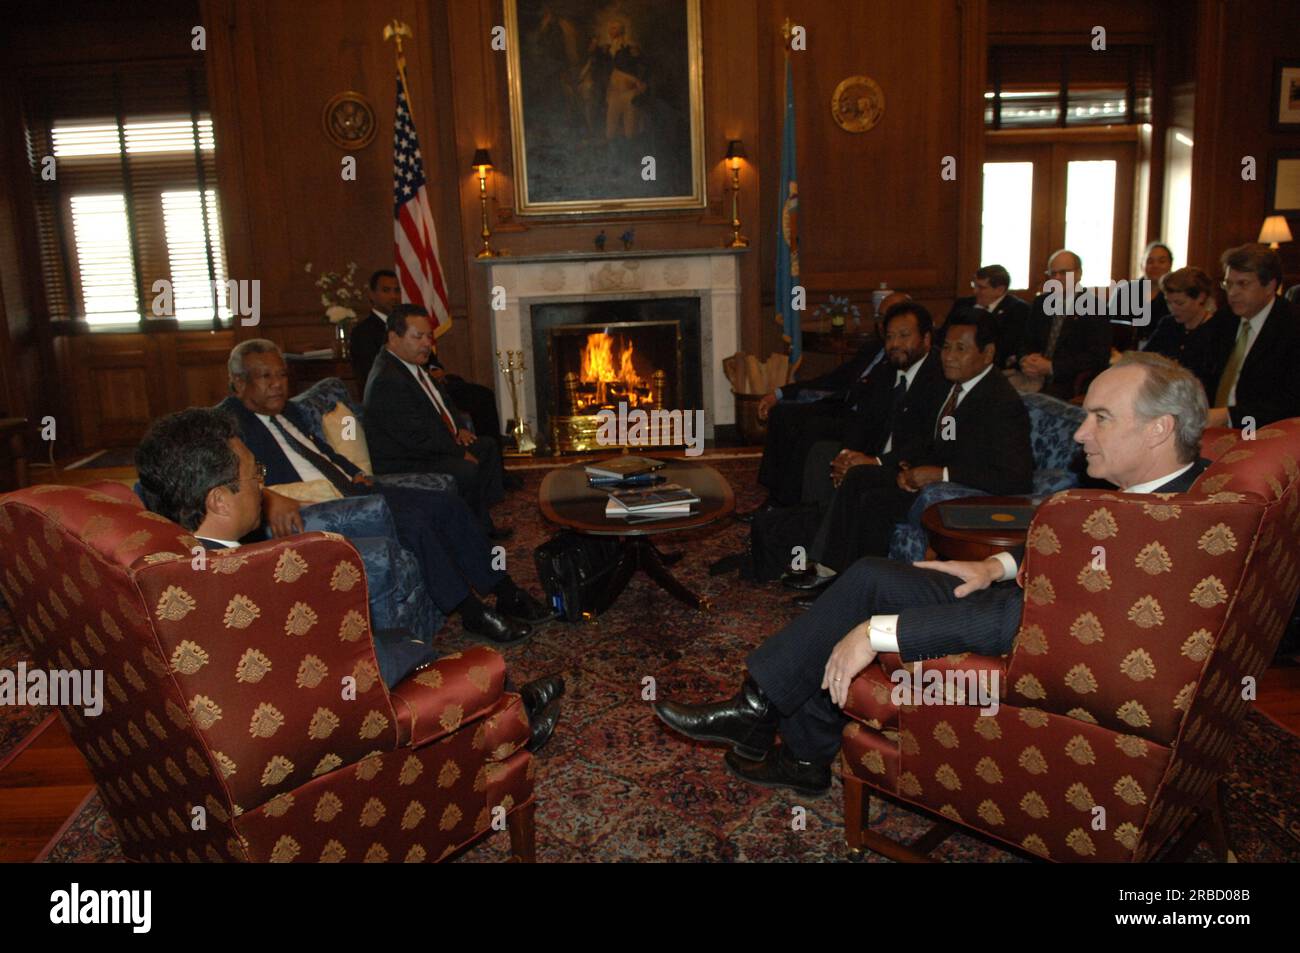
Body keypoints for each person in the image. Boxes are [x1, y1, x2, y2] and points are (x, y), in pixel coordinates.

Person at [654, 351, 1211, 793]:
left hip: (1038, 651)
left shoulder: (1172, 528)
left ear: (1159, 429)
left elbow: (1021, 621)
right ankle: (778, 728)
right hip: (1016, 601)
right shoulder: (1153, 490)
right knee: (871, 576)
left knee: (867, 617)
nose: (1081, 433)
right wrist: (996, 564)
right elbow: (1076, 552)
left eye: (1100, 418)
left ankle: (770, 726)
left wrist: (878, 633)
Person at [134, 407, 564, 750]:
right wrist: (398, 651)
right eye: (255, 476)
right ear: (219, 501)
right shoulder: (248, 583)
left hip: (306, 683)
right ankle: (512, 726)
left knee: (398, 637)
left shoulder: (173, 560)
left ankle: (510, 703)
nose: (262, 486)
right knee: (452, 659)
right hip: (326, 716)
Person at [218, 339, 546, 643]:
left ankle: (505, 590)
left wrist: (354, 472)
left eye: (281, 375)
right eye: (265, 376)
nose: (277, 384)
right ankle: (472, 612)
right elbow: (227, 482)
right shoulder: (227, 425)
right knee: (414, 522)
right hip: (321, 508)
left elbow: (322, 452)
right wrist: (268, 496)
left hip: (351, 489)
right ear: (238, 382)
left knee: (447, 503)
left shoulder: (288, 411)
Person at [789, 310, 1034, 587]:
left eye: (961, 349)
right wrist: (902, 466)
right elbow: (935, 441)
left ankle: (862, 584)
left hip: (963, 494)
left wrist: (941, 474)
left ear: (987, 353)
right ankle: (831, 569)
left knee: (875, 502)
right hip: (930, 477)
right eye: (947, 347)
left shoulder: (1000, 402)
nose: (949, 356)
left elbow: (1016, 478)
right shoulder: (954, 386)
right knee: (860, 476)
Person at [750, 291, 911, 509]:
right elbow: (833, 379)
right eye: (879, 316)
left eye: (890, 316)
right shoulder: (872, 349)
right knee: (782, 413)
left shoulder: (901, 357)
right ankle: (771, 491)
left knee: (810, 429)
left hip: (863, 422)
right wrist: (779, 393)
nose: (883, 323)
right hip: (842, 407)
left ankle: (789, 503)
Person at [797, 301, 948, 524]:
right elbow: (861, 421)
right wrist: (847, 456)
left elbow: (926, 443)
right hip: (874, 455)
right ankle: (813, 523)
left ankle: (827, 539)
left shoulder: (941, 378)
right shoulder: (885, 372)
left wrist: (875, 461)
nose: (894, 344)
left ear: (926, 339)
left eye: (904, 336)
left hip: (906, 465)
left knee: (859, 477)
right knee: (822, 453)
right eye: (889, 337)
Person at [364, 305, 508, 533]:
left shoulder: (409, 364)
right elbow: (415, 438)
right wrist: (458, 452)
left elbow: (443, 401)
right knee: (466, 468)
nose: (427, 344)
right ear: (393, 338)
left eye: (429, 336)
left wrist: (459, 428)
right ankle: (469, 531)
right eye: (418, 337)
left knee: (487, 446)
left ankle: (481, 519)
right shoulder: (388, 379)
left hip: (430, 445)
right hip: (405, 459)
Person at [1206, 243, 1300, 428]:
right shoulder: (1224, 319)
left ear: (1270, 286)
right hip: (1212, 426)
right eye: (1228, 284)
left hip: (1263, 431)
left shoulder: (1292, 327)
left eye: (1243, 284)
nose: (1232, 293)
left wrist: (1228, 416)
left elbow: (1291, 403)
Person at [1005, 249, 1111, 400]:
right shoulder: (1041, 303)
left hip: (1068, 381)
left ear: (1079, 273)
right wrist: (1025, 360)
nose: (1057, 278)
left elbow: (1098, 357)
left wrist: (1051, 367)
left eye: (1063, 272)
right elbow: (1025, 342)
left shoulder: (1095, 307)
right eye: (1053, 273)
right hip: (1031, 376)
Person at [1142, 266, 1233, 397]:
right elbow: (1146, 357)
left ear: (1201, 297)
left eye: (1179, 303)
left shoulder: (1216, 330)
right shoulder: (1168, 324)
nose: (1172, 308)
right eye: (1168, 302)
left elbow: (1210, 379)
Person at [944, 263, 1030, 367]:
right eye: (974, 285)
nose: (975, 291)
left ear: (1000, 290)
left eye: (981, 288)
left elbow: (1008, 347)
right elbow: (944, 334)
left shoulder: (1018, 310)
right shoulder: (962, 304)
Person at [349, 269, 401, 385]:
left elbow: (431, 361)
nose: (394, 296)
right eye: (386, 290)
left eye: (397, 291)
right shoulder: (363, 332)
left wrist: (434, 369)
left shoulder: (407, 325)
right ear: (372, 295)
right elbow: (372, 373)